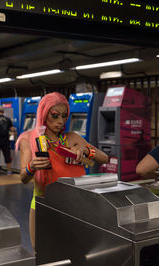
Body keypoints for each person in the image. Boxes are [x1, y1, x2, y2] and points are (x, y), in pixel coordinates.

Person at [16, 92, 108, 249]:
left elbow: (104, 158)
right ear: (44, 113)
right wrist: (32, 166)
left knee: (75, 252)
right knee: (44, 253)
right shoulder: (30, 139)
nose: (60, 121)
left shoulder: (72, 138)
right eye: (55, 116)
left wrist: (85, 149)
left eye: (64, 116)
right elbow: (23, 178)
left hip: (75, 204)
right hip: (44, 203)